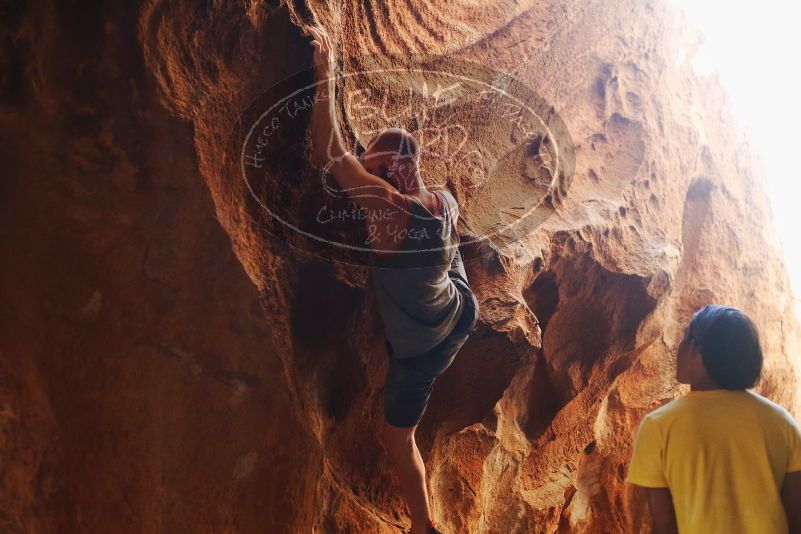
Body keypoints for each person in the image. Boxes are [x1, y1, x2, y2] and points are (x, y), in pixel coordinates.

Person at [308, 27, 479, 534]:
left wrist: (325, 74)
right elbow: (365, 162)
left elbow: (328, 149)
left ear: (394, 173)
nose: (366, 174)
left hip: (427, 345)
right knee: (442, 263)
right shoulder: (442, 199)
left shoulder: (390, 207)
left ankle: (424, 526)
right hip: (460, 301)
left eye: (374, 168)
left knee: (395, 439)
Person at [627, 305, 801, 533]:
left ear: (696, 350)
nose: (678, 348)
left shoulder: (659, 426)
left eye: (684, 337)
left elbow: (665, 525)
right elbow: (796, 517)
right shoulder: (782, 423)